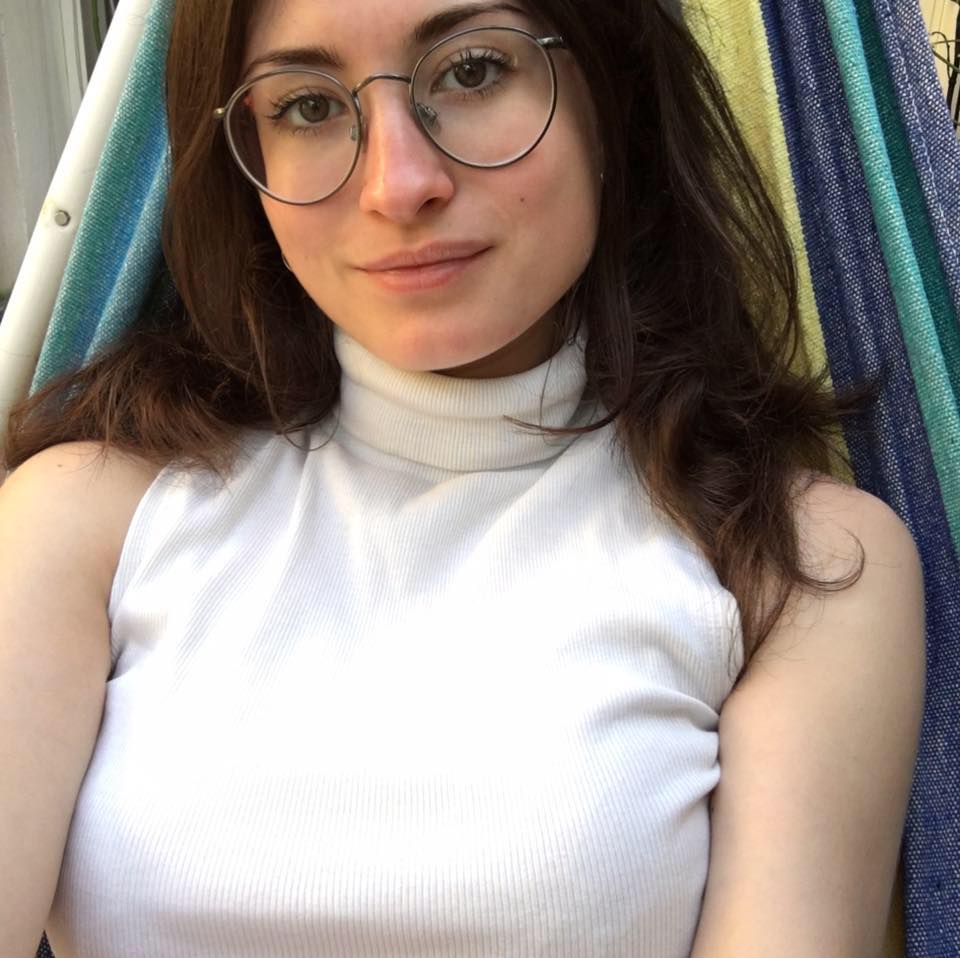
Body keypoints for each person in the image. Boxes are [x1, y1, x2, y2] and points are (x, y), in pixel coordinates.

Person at [1, 0, 925, 955]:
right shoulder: (85, 524)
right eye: (308, 107)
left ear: (613, 102)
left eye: (473, 70)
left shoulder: (798, 567)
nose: (399, 184)